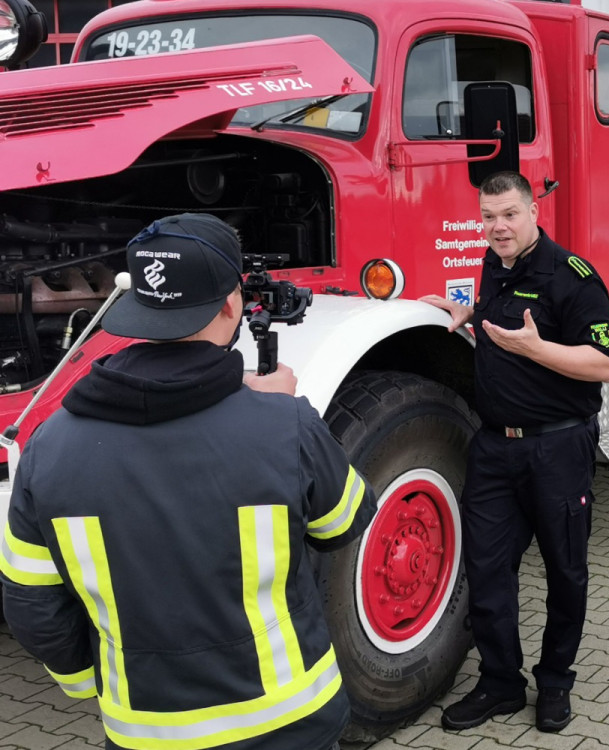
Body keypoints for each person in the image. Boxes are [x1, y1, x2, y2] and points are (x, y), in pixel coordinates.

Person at [0, 213, 376, 750]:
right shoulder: (284, 425)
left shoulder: (48, 448)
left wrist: (91, 682)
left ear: (134, 306)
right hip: (291, 723)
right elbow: (344, 522)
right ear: (230, 305)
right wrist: (291, 414)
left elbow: (32, 604)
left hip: (145, 732)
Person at [421, 171, 609, 733]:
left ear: (535, 211)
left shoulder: (573, 278)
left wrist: (539, 349)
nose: (498, 227)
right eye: (488, 217)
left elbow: (604, 364)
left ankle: (555, 683)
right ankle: (501, 683)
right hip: (494, 448)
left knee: (564, 572)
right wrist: (467, 321)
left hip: (558, 447)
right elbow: (499, 329)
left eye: (509, 214)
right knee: (486, 570)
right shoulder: (493, 265)